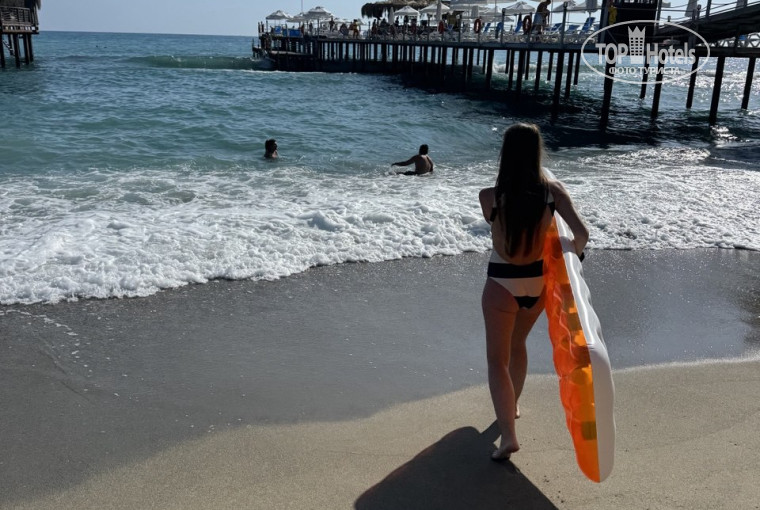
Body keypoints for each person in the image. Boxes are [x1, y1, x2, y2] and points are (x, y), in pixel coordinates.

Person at [478, 123, 588, 461]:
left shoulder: (490, 196)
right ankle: (512, 406)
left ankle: (508, 437)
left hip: (501, 284)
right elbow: (582, 234)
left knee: (497, 361)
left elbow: (498, 226)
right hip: (537, 284)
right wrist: (572, 256)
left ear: (505, 154)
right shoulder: (553, 192)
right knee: (518, 345)